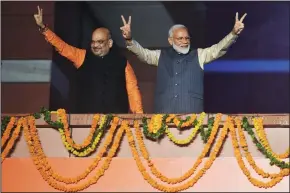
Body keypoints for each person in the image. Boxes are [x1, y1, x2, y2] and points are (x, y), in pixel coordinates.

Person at [120, 13, 247, 114]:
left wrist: (233, 34)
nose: (184, 41)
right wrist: (129, 40)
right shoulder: (160, 56)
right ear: (170, 41)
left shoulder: (199, 54)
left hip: (192, 116)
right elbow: (144, 54)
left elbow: (218, 49)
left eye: (187, 38)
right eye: (180, 38)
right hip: (164, 116)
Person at [34, 6, 143, 114]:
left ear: (109, 43)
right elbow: (62, 47)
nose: (95, 45)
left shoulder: (122, 63)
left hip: (116, 125)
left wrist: (139, 118)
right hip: (86, 124)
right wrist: (44, 29)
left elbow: (133, 91)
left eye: (100, 42)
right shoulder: (82, 56)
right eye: (93, 42)